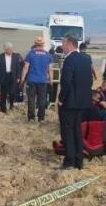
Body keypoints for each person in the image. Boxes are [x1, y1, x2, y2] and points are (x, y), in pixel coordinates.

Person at [57, 35, 93, 171]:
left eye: (63, 44)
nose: (62, 47)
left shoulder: (69, 60)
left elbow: (66, 82)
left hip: (69, 102)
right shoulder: (86, 59)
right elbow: (89, 80)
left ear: (69, 44)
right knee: (77, 130)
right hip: (82, 102)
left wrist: (61, 99)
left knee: (68, 131)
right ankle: (79, 160)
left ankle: (69, 160)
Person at [20, 35, 52, 122]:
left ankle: (31, 118)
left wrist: (22, 79)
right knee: (42, 100)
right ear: (43, 44)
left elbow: (25, 67)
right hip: (43, 80)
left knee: (31, 99)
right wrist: (51, 80)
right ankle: (41, 118)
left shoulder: (30, 54)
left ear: (35, 44)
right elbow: (50, 69)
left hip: (32, 80)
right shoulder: (48, 55)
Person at [0, 43, 23, 113]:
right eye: (9, 49)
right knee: (3, 93)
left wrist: (18, 77)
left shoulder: (15, 56)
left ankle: (11, 105)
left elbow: (18, 67)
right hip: (3, 76)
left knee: (12, 92)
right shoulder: (0, 57)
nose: (11, 50)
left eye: (11, 49)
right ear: (5, 50)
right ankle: (3, 108)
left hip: (13, 76)